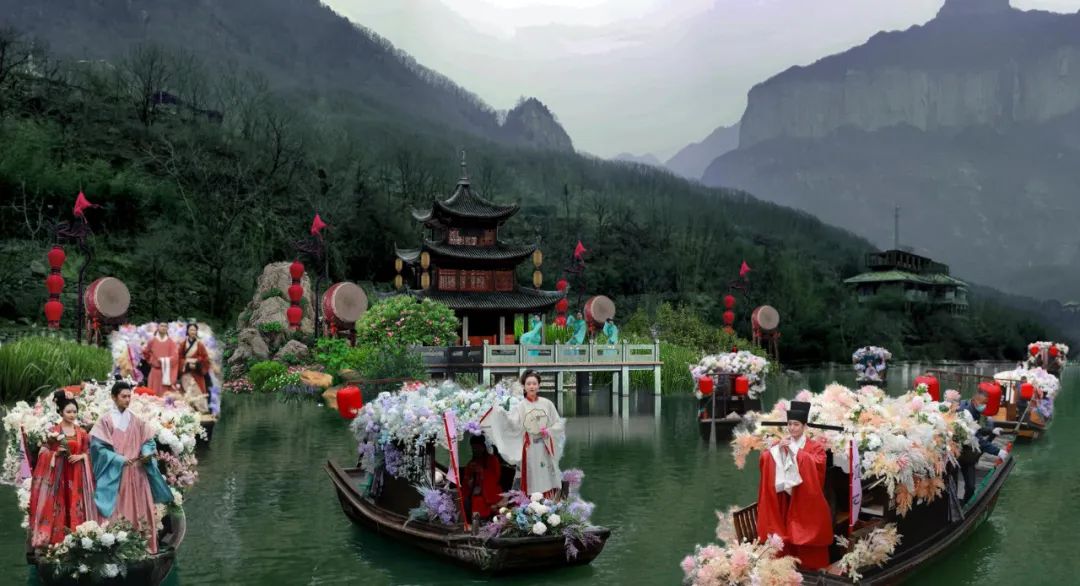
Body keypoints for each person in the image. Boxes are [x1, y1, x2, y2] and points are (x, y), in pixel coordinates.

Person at [90, 380, 173, 553]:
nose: (127, 400)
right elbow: (98, 448)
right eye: (123, 396)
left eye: (129, 396)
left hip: (138, 471)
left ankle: (144, 547)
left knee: (142, 509)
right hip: (117, 473)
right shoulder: (105, 421)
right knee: (118, 510)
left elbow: (148, 441)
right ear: (114, 397)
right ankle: (117, 548)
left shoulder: (136, 420)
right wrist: (117, 458)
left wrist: (146, 452)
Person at [755, 401, 833, 571]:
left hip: (805, 498)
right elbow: (765, 460)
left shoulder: (815, 447)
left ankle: (809, 568)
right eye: (789, 424)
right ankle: (782, 567)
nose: (792, 428)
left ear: (804, 426)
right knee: (781, 529)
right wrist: (776, 451)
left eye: (796, 424)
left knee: (803, 530)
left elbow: (817, 466)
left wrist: (796, 451)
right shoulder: (781, 443)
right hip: (784, 497)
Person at [27, 391, 97, 548]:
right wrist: (55, 454)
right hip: (59, 475)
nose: (72, 415)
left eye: (75, 412)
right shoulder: (53, 431)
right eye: (68, 412)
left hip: (76, 474)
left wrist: (82, 457)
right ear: (60, 412)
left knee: (75, 503)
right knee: (58, 504)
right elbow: (43, 452)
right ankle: (56, 539)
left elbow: (89, 452)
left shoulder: (82, 432)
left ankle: (78, 537)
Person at [481, 370, 566, 498]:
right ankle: (531, 502)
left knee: (546, 475)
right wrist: (500, 414)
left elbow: (559, 423)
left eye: (534, 383)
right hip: (530, 447)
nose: (532, 386)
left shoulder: (547, 404)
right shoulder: (521, 406)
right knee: (532, 476)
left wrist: (548, 431)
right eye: (528, 384)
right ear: (524, 386)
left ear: (539, 385)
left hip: (545, 444)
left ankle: (548, 501)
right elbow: (513, 424)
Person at [958, 388, 1009, 502]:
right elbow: (977, 438)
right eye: (982, 403)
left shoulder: (973, 409)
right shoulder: (965, 413)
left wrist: (991, 430)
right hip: (960, 451)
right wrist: (998, 451)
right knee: (968, 485)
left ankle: (965, 503)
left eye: (986, 403)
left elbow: (976, 429)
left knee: (970, 486)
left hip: (967, 450)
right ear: (974, 400)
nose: (984, 406)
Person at [461, 435, 504, 520]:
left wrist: (482, 472)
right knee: (465, 499)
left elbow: (496, 477)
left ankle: (480, 520)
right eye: (474, 448)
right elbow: (466, 479)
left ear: (483, 447)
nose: (476, 450)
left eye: (478, 448)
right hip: (474, 490)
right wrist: (469, 480)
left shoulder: (493, 459)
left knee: (478, 501)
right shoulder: (471, 463)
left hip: (489, 492)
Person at [176, 323, 211, 413]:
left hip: (197, 372)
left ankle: (202, 410)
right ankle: (189, 410)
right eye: (191, 330)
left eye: (194, 330)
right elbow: (179, 358)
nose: (193, 332)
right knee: (187, 391)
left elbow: (205, 358)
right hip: (186, 372)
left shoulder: (200, 344)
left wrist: (197, 362)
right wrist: (186, 363)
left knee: (199, 390)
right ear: (187, 331)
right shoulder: (183, 344)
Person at [142, 322, 178, 395]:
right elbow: (146, 352)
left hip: (166, 372)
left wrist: (163, 360)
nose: (163, 328)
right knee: (153, 394)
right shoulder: (152, 341)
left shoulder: (171, 342)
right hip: (154, 371)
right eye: (162, 326)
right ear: (158, 327)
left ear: (167, 329)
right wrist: (151, 360)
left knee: (164, 396)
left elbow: (175, 357)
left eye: (165, 326)